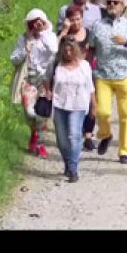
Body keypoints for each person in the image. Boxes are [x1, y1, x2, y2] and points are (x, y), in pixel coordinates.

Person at [89, 0, 127, 164]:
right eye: (110, 2)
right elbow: (91, 48)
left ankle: (124, 151)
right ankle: (105, 134)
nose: (112, 4)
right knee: (103, 112)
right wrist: (86, 68)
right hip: (103, 75)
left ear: (123, 6)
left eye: (116, 2)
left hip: (124, 74)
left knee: (126, 115)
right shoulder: (97, 25)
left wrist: (125, 42)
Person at [43, 37, 96, 183]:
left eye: (70, 48)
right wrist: (47, 90)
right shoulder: (55, 64)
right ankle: (68, 162)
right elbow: (46, 78)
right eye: (65, 49)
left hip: (78, 105)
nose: (68, 51)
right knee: (61, 140)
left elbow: (91, 87)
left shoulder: (84, 66)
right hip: (59, 104)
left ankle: (73, 169)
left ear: (75, 49)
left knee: (74, 136)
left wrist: (94, 106)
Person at [10, 9, 58, 158]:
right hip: (28, 81)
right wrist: (25, 50)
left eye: (40, 21)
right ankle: (34, 133)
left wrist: (43, 32)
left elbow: (53, 50)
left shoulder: (50, 37)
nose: (37, 24)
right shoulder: (24, 39)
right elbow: (13, 59)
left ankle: (40, 143)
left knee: (42, 113)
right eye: (34, 22)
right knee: (30, 112)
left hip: (45, 81)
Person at [56, 4, 98, 151]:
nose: (76, 22)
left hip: (87, 70)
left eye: (78, 19)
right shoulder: (64, 34)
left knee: (91, 100)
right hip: (69, 73)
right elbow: (55, 48)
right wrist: (64, 31)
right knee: (76, 101)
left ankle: (88, 134)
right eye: (72, 20)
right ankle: (76, 130)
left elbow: (94, 48)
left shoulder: (88, 32)